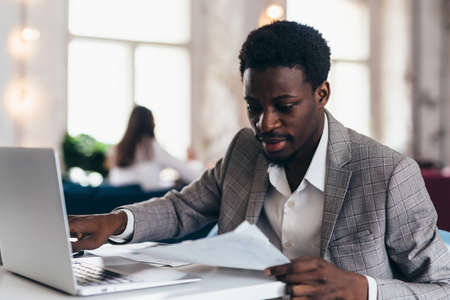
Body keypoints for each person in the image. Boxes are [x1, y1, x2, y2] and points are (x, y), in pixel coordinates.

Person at [69, 21, 450, 299]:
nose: (265, 123)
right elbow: (185, 209)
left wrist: (363, 290)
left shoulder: (388, 174)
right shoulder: (244, 149)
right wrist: (116, 221)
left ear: (321, 94)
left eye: (284, 107)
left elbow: (442, 287)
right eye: (254, 107)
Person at [107, 105, 203, 190]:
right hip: (143, 201)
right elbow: (190, 174)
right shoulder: (152, 147)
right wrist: (194, 162)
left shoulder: (117, 149)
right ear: (151, 123)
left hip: (117, 202)